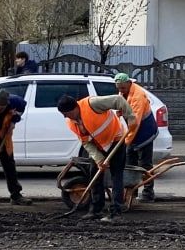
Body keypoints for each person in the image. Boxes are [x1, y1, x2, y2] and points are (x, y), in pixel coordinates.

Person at [56, 92, 134, 221]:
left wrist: (130, 117)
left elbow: (118, 100)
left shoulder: (93, 104)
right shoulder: (72, 122)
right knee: (95, 175)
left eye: (67, 113)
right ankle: (95, 210)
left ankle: (116, 212)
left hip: (116, 139)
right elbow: (86, 142)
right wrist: (99, 159)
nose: (65, 116)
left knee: (116, 176)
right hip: (99, 146)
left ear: (75, 108)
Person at [114, 73, 160, 203]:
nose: (121, 90)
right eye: (119, 88)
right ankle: (131, 193)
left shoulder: (138, 96)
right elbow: (122, 109)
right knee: (130, 164)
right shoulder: (123, 92)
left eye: (123, 88)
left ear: (129, 84)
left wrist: (126, 142)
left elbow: (134, 122)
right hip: (133, 131)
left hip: (145, 131)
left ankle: (148, 193)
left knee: (145, 164)